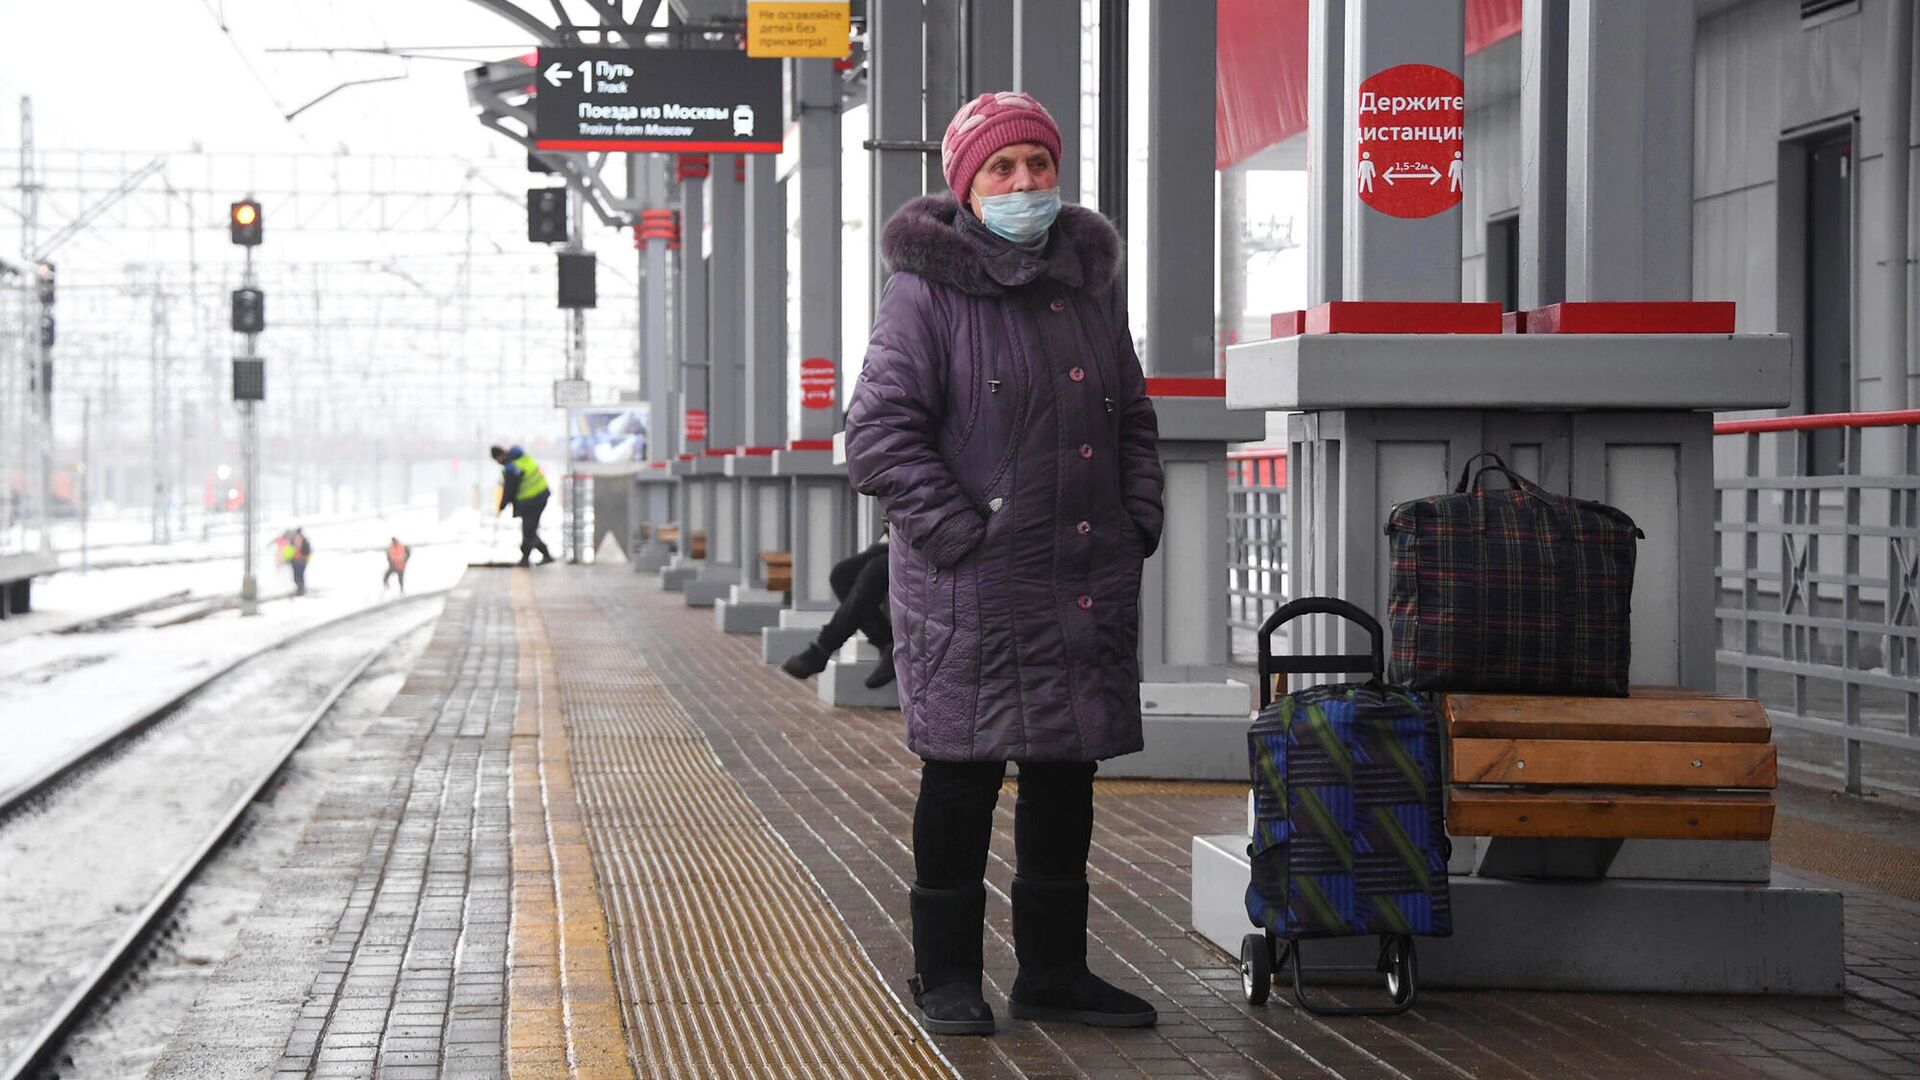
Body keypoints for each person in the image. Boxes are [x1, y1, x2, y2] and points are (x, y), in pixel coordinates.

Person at [844, 90, 1164, 1036]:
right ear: (967, 184)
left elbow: (1134, 419)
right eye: (1002, 168)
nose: (1026, 183)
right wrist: (958, 536)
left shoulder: (1089, 286)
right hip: (973, 584)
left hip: (1078, 574)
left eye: (1038, 163)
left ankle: (1055, 973)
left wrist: (1134, 515)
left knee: (1066, 772)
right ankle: (945, 975)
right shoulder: (926, 291)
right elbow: (879, 435)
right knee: (963, 773)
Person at [779, 536, 895, 690]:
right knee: (841, 575)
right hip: (897, 540)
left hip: (923, 547)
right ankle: (887, 643)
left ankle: (822, 649)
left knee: (874, 571)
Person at [490, 444, 554, 567]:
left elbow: (510, 490)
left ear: (500, 456)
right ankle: (527, 558)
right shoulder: (520, 458)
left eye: (496, 459)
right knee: (529, 529)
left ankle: (540, 556)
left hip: (533, 500)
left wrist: (502, 505)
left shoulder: (511, 468)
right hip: (539, 496)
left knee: (528, 530)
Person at [289, 527, 312, 596]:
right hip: (303, 560)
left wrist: (291, 560)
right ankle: (301, 590)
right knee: (300, 576)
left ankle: (300, 590)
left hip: (298, 561)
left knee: (298, 576)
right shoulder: (305, 539)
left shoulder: (297, 539)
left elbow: (293, 551)